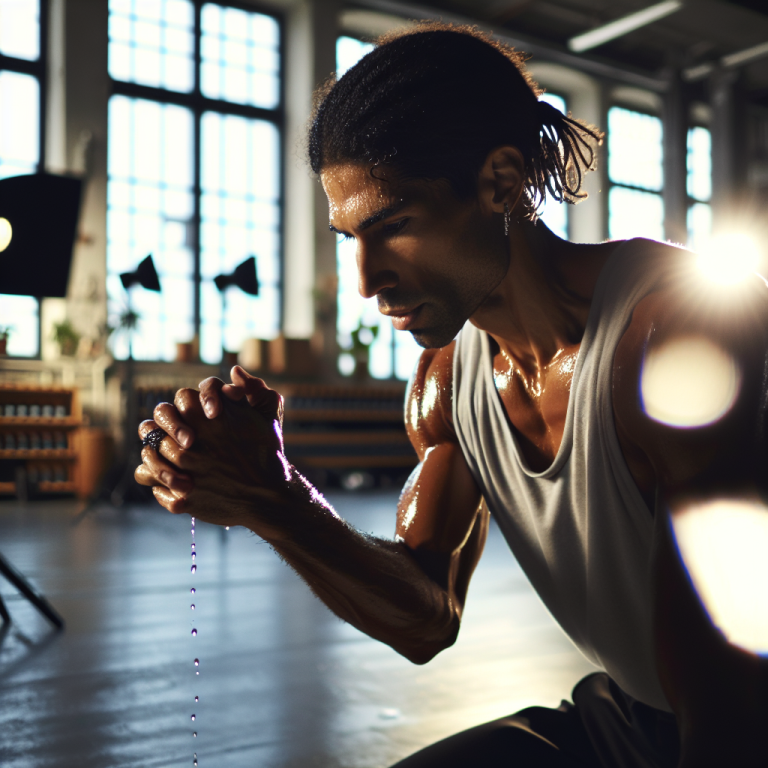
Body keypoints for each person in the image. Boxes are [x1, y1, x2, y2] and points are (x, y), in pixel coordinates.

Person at [135, 24, 768, 768]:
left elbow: (729, 678)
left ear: (500, 182)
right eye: (350, 238)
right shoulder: (445, 382)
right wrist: (273, 500)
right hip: (641, 716)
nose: (366, 280)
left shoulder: (674, 333)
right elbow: (425, 617)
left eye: (394, 226)